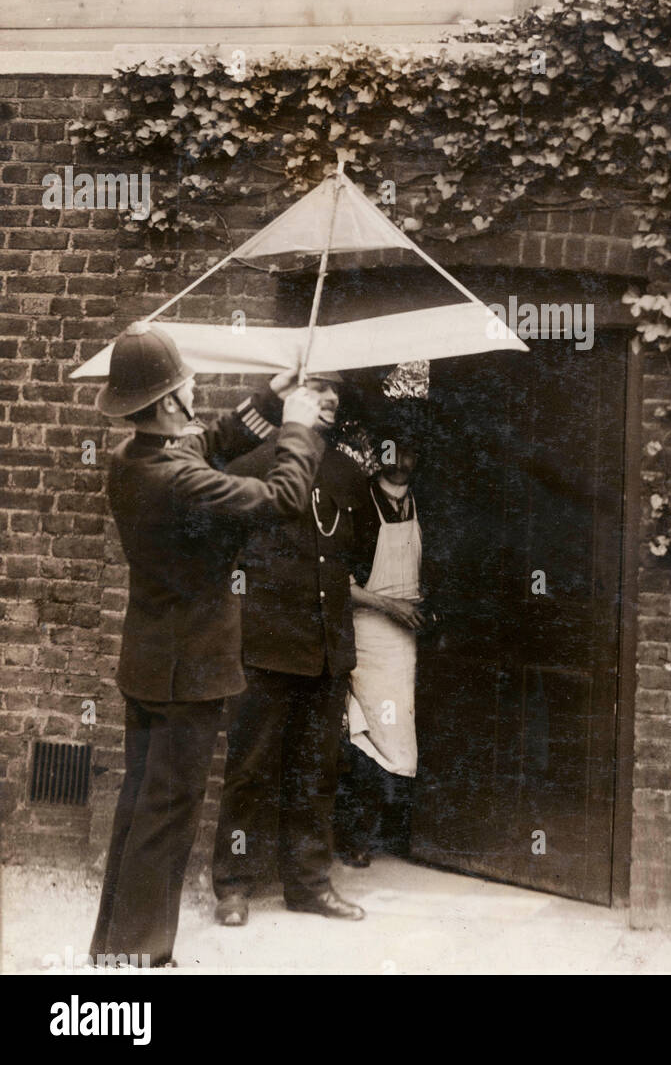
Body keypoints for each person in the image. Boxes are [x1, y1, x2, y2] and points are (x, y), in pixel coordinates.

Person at [88, 321, 333, 968]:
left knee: (140, 806)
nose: (196, 389)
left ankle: (114, 951)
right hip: (188, 676)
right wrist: (302, 426)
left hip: (147, 667)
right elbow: (284, 496)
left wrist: (271, 404)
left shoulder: (131, 462)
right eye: (188, 383)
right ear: (170, 401)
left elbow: (206, 443)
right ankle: (141, 960)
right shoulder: (181, 482)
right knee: (168, 817)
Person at [212, 373, 373, 925]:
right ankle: (234, 885)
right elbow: (221, 556)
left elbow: (362, 556)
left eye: (334, 389)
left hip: (326, 649)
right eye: (316, 386)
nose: (328, 398)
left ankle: (309, 884)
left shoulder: (350, 474)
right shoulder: (252, 467)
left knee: (316, 770)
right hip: (263, 646)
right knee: (250, 770)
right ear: (288, 396)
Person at [334, 405, 435, 866]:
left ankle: (394, 834)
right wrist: (388, 606)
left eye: (409, 448)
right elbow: (336, 581)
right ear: (378, 452)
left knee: (405, 732)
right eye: (392, 447)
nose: (401, 457)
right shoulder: (358, 501)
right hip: (369, 631)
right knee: (369, 732)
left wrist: (422, 604)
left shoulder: (425, 503)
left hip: (409, 634)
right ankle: (355, 835)